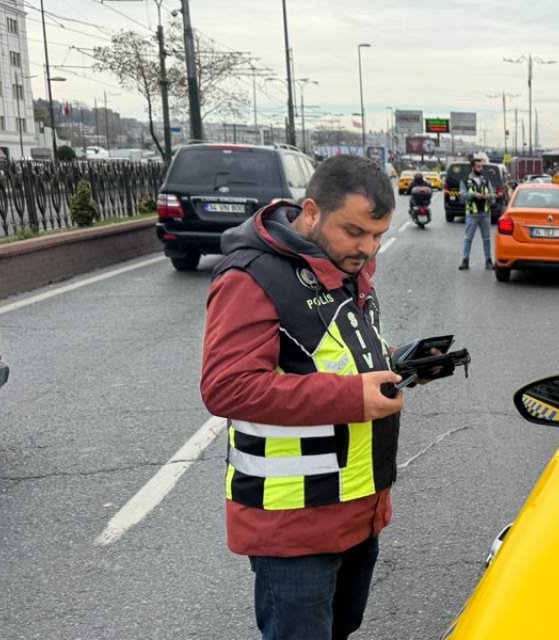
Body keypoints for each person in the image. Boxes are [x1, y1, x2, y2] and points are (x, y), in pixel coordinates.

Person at [201, 155, 404, 640]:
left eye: (377, 235)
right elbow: (226, 385)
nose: (368, 248)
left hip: (356, 507)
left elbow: (328, 352)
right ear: (310, 212)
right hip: (292, 523)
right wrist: (355, 397)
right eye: (355, 232)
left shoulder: (346, 266)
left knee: (341, 627)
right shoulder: (251, 276)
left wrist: (395, 362)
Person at [459, 152, 495, 270]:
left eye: (481, 166)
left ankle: (488, 261)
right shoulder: (464, 181)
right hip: (472, 214)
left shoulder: (486, 180)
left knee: (486, 239)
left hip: (484, 214)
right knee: (468, 239)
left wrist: (489, 196)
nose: (481, 168)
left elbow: (492, 195)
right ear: (473, 167)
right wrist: (474, 195)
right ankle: (465, 261)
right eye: (478, 167)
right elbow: (462, 196)